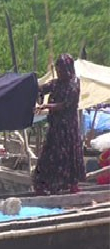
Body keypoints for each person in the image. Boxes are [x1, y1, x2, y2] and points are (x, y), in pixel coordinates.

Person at [33, 53, 86, 195]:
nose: (59, 73)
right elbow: (41, 89)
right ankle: (45, 185)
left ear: (68, 69)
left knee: (66, 155)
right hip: (55, 128)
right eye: (58, 70)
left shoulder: (73, 84)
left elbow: (64, 105)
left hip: (67, 129)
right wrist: (34, 89)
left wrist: (46, 106)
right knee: (49, 155)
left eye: (61, 70)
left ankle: (71, 184)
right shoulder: (56, 83)